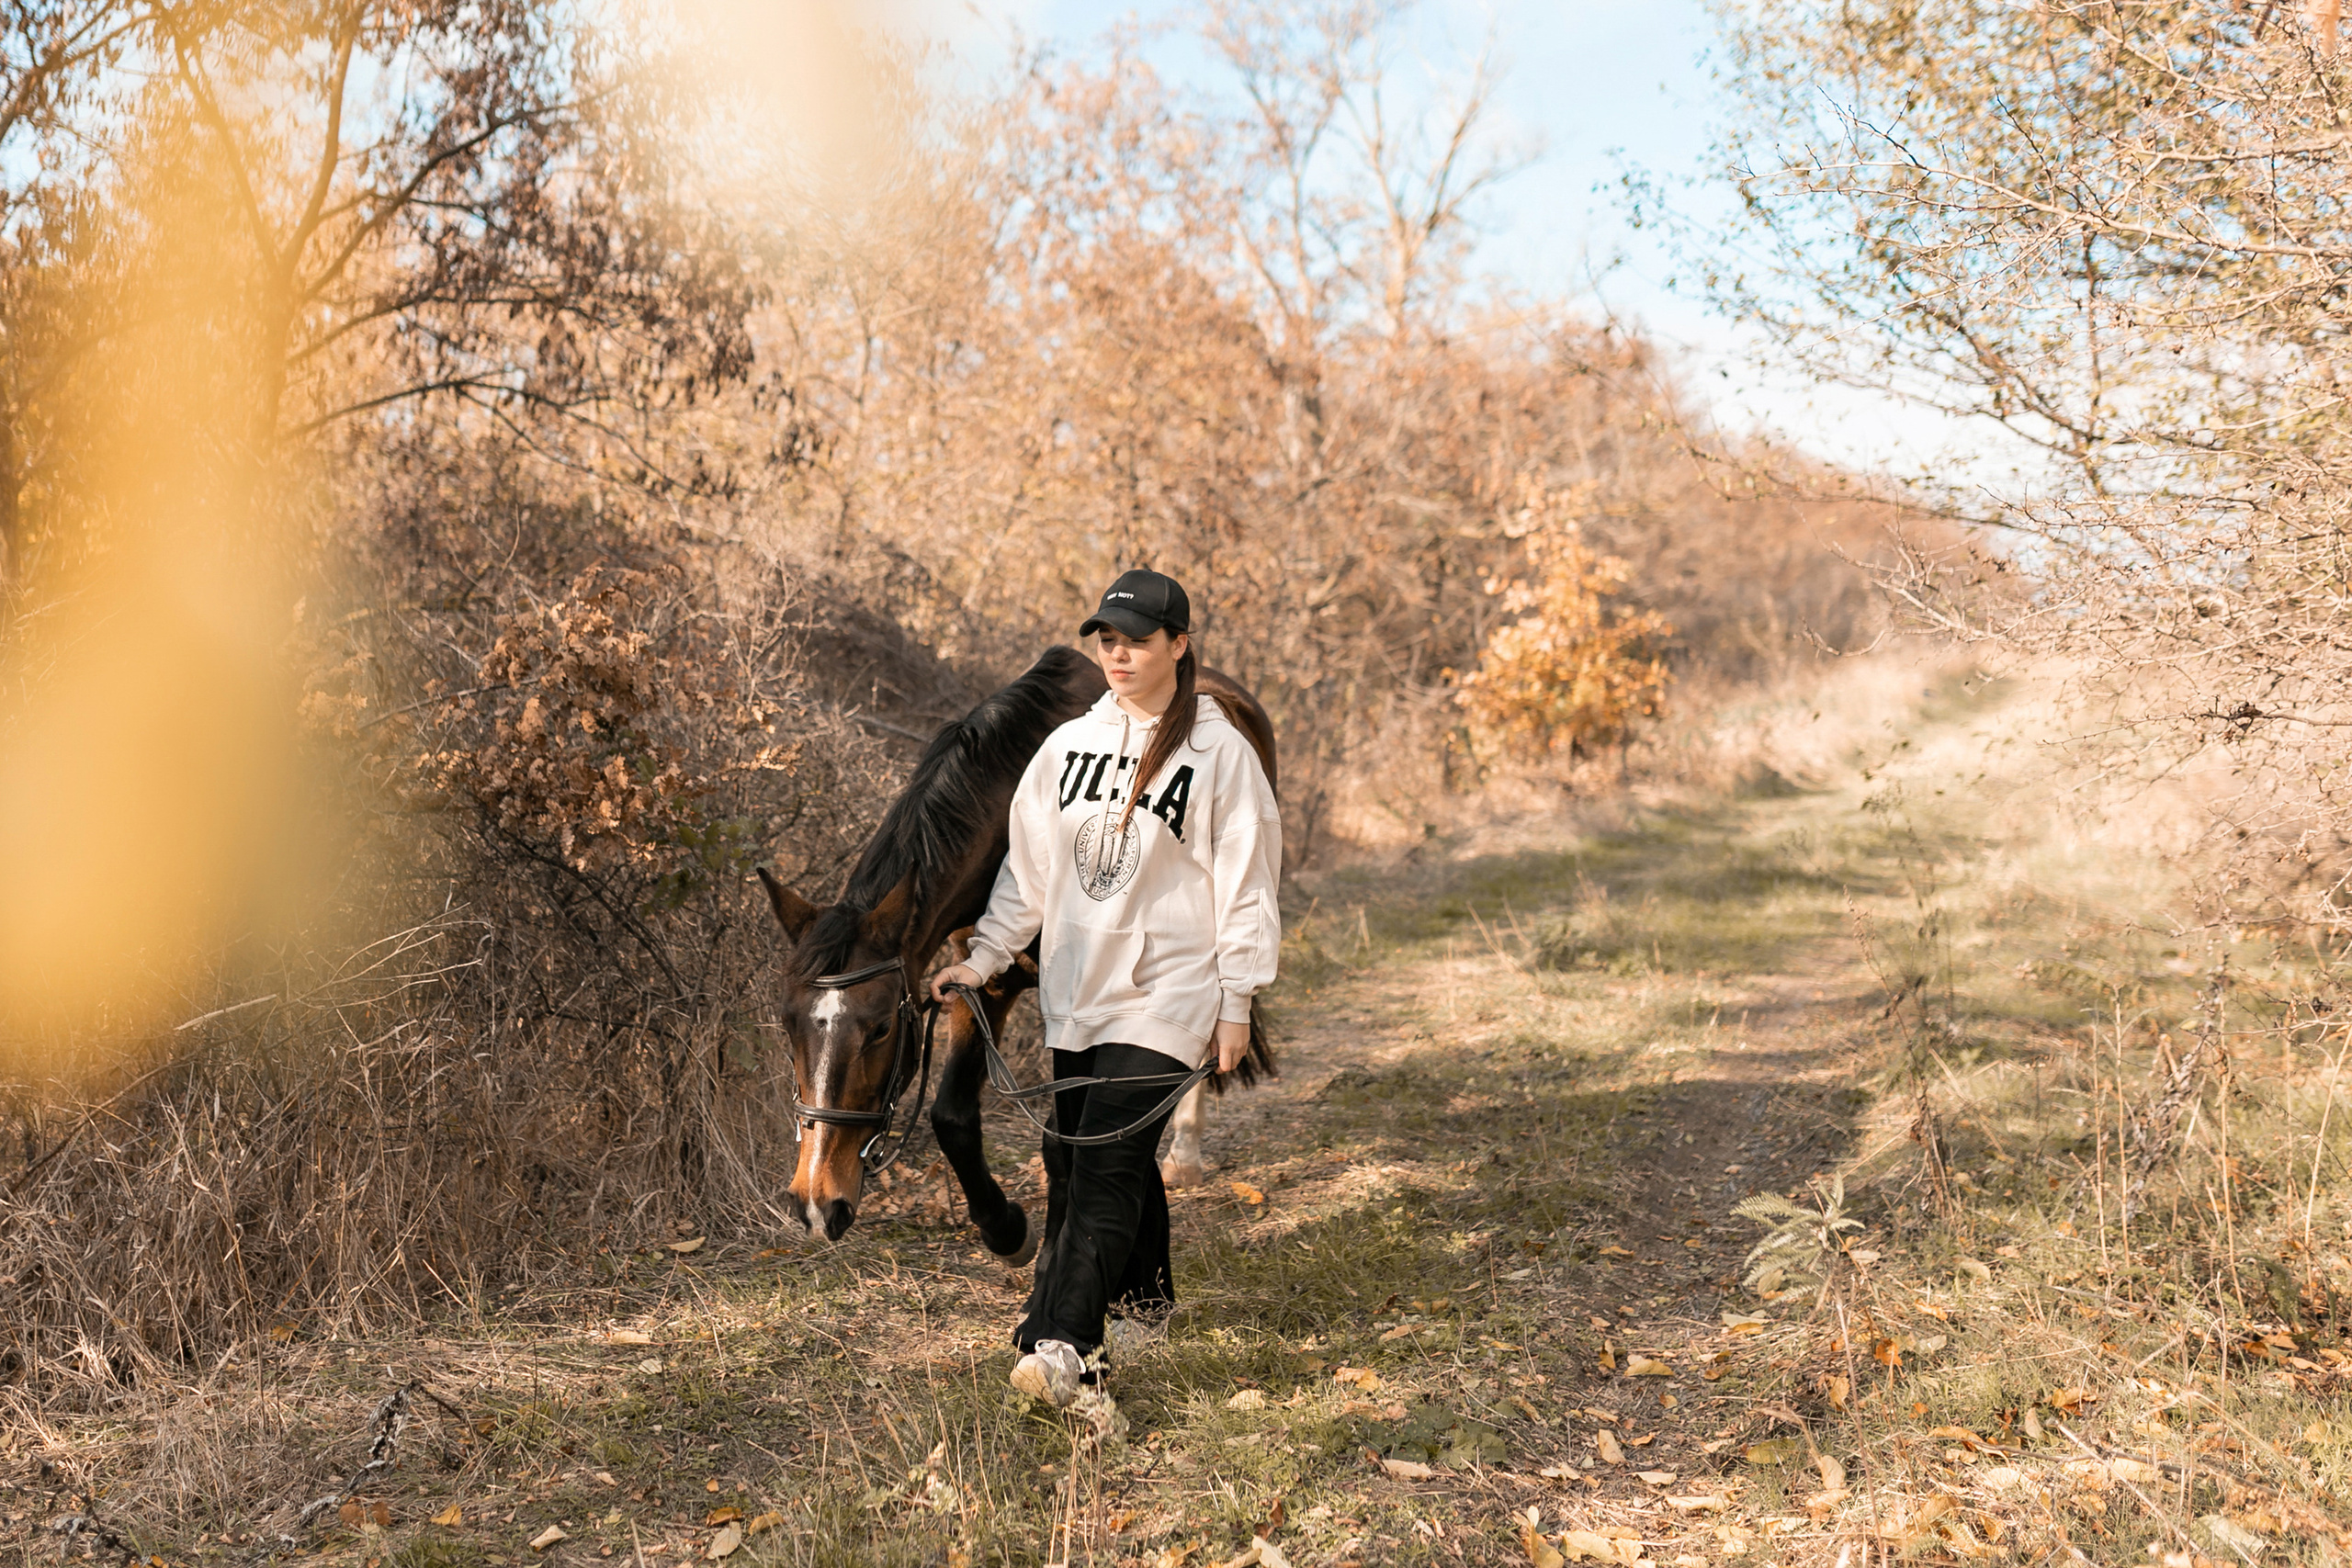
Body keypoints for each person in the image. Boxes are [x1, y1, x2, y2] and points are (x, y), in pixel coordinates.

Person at [929, 568, 1282, 1419]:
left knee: (1106, 1160)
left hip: (1172, 991)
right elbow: (1028, 874)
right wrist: (983, 960)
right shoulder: (1066, 749)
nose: (1118, 655)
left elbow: (1246, 883)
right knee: (1072, 1151)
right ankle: (1143, 1305)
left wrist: (1237, 999)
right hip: (1078, 992)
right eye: (1107, 640)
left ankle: (1056, 1347)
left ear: (1180, 645)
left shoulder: (1218, 754)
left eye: (1137, 640)